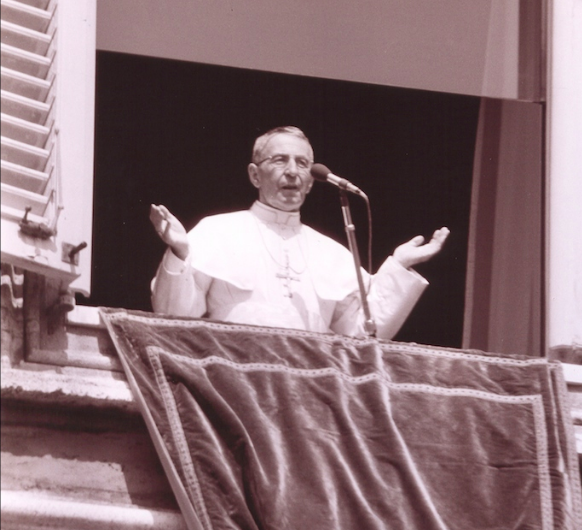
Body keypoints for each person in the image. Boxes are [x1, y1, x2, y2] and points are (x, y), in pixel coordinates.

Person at [150, 126, 449, 339]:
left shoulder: (332, 253)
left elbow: (365, 335)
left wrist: (399, 267)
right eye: (280, 160)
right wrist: (179, 253)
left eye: (302, 163)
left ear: (309, 182)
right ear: (255, 175)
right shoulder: (217, 231)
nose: (292, 171)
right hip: (232, 383)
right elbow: (174, 316)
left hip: (308, 390)